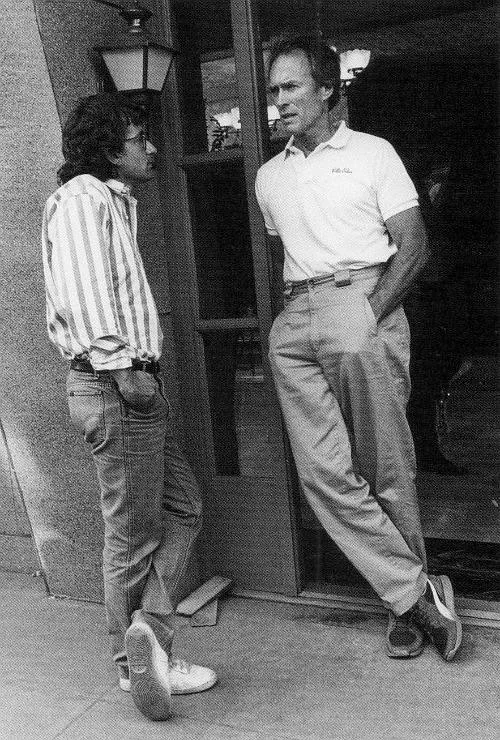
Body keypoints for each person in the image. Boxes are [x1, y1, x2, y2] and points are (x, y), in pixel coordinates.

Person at [255, 33, 462, 661]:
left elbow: (414, 246)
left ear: (325, 90)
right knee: (323, 473)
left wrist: (366, 316)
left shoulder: (373, 154)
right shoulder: (269, 175)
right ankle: (415, 594)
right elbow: (285, 249)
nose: (278, 101)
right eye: (272, 91)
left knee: (385, 466)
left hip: (362, 298)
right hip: (298, 317)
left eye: (290, 87)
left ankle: (402, 608)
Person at [42, 93, 217, 721]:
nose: (150, 147)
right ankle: (135, 662)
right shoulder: (86, 199)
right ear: (110, 145)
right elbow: (88, 296)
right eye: (139, 137)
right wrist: (125, 372)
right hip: (117, 385)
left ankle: (148, 632)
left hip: (127, 385)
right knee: (132, 538)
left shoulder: (108, 202)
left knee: (183, 506)